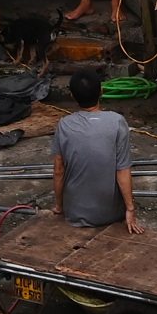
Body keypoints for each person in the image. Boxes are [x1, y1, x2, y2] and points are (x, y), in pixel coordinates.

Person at [53, 68, 142, 232]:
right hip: (110, 215)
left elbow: (59, 170)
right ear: (101, 91)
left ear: (72, 96)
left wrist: (59, 206)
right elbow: (122, 170)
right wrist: (130, 209)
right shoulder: (117, 122)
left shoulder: (64, 124)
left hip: (74, 214)